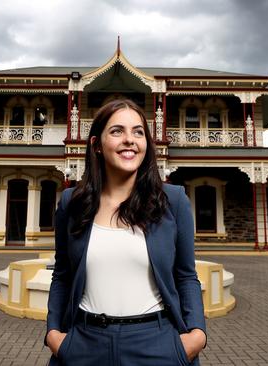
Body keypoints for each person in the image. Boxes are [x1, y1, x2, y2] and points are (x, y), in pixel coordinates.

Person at [45, 99, 206, 365]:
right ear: (97, 145)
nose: (129, 140)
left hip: (157, 343)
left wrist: (196, 335)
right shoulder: (72, 203)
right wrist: (54, 334)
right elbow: (62, 275)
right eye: (117, 131)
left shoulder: (173, 201)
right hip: (85, 342)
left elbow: (186, 276)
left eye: (138, 132)